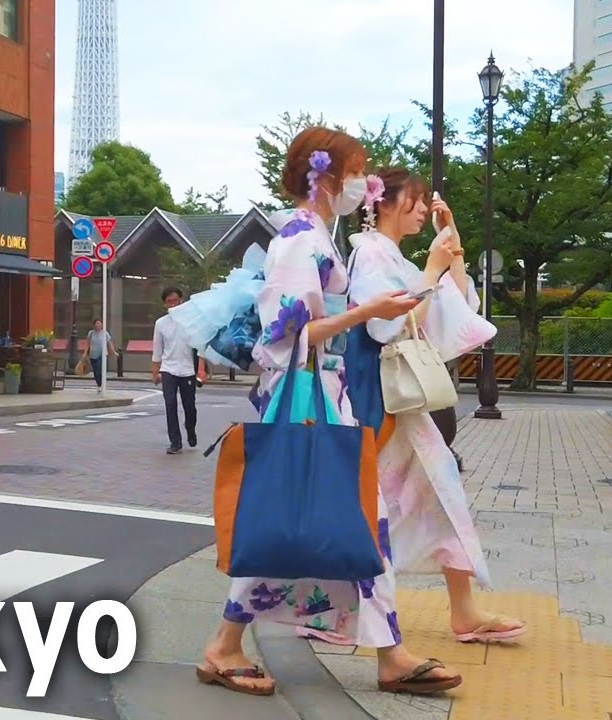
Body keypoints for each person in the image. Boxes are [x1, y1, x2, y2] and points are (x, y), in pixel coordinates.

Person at [187, 127, 464, 696]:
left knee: (315, 515)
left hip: (316, 392)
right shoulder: (299, 238)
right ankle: (384, 656)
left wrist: (365, 314)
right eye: (357, 171)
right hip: (309, 394)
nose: (365, 182)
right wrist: (365, 313)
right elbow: (285, 333)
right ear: (326, 176)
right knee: (351, 516)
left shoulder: (312, 235)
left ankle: (233, 644)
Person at [345, 167, 526, 643]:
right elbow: (388, 326)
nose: (425, 208)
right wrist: (430, 269)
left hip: (399, 400)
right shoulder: (370, 252)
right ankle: (330, 609)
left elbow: (455, 304)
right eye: (417, 199)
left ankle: (462, 611)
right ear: (385, 203)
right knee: (375, 506)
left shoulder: (390, 256)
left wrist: (454, 247)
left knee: (438, 494)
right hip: (381, 399)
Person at [152, 288, 208, 454]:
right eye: (169, 302)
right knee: (170, 404)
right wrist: (155, 372)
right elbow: (157, 350)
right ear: (165, 304)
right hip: (168, 369)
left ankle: (190, 429)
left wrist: (201, 369)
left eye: (175, 300)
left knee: (189, 406)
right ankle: (175, 442)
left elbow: (200, 346)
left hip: (187, 370)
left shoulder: (192, 321)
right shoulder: (161, 323)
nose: (173, 304)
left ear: (181, 300)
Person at [86, 319, 116, 390]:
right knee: (96, 371)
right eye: (96, 323)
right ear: (94, 325)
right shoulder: (91, 333)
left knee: (101, 370)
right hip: (93, 355)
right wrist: (85, 354)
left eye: (99, 323)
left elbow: (109, 343)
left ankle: (102, 385)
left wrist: (114, 352)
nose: (97, 325)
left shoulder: (105, 333)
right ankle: (99, 384)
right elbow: (88, 345)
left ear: (102, 325)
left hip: (102, 355)